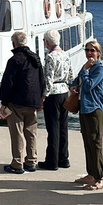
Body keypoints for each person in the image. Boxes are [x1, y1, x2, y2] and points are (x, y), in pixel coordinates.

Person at [0, 31, 45, 174]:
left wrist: (4, 101)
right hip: (33, 100)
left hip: (17, 101)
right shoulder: (35, 58)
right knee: (31, 132)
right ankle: (31, 161)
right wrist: (41, 98)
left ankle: (17, 163)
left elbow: (8, 82)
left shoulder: (14, 60)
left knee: (17, 132)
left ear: (14, 43)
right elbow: (41, 80)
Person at [39, 30, 74, 171]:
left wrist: (43, 96)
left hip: (53, 93)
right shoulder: (66, 55)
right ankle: (63, 158)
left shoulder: (50, 57)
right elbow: (71, 75)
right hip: (64, 91)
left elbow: (48, 78)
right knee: (63, 126)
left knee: (53, 127)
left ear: (47, 42)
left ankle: (51, 161)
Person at [74, 39, 103, 191]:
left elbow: (88, 86)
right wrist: (73, 86)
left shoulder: (99, 68)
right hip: (84, 108)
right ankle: (91, 173)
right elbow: (77, 81)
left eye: (92, 50)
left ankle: (99, 177)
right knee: (87, 141)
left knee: (96, 143)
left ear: (98, 53)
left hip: (94, 109)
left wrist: (86, 70)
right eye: (87, 50)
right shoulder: (87, 66)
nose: (89, 53)